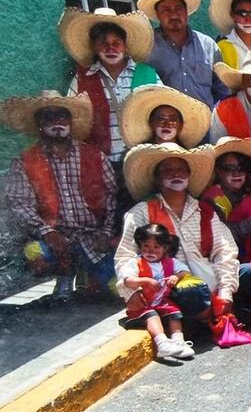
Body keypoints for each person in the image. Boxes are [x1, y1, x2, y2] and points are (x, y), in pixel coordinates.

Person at [3, 91, 116, 299]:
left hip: (93, 236)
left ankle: (87, 274)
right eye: (49, 117)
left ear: (70, 122)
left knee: (114, 287)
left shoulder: (95, 156)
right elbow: (20, 204)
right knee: (37, 254)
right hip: (54, 237)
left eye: (62, 116)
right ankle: (63, 275)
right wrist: (46, 232)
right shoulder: (25, 161)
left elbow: (112, 199)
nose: (57, 122)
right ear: (39, 124)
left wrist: (107, 233)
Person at [115, 143, 238, 324]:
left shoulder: (204, 210)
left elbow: (225, 251)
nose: (176, 173)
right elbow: (125, 255)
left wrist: (226, 291)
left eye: (181, 169)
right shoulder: (141, 212)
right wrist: (132, 292)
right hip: (169, 287)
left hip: (213, 281)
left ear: (189, 175)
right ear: (157, 178)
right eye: (168, 169)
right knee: (193, 293)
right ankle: (203, 318)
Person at [60, 6, 160, 166]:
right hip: (99, 164)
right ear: (93, 47)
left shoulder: (148, 74)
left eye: (116, 43)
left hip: (141, 161)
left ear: (125, 46)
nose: (110, 48)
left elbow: (163, 109)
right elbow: (73, 118)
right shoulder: (82, 79)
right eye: (102, 43)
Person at [138, 0, 230, 107]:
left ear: (187, 11)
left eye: (178, 8)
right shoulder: (146, 48)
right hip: (167, 124)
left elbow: (222, 90)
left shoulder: (208, 46)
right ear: (157, 14)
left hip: (206, 124)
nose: (174, 14)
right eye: (166, 10)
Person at [118, 223, 193, 360]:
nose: (150, 251)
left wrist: (176, 276)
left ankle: (179, 341)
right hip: (141, 306)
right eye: (146, 246)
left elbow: (185, 271)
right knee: (151, 315)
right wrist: (145, 281)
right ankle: (162, 343)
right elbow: (127, 280)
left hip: (160, 302)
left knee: (174, 312)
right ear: (140, 245)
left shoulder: (170, 262)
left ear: (165, 248)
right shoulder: (135, 263)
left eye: (156, 247)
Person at [119, 84, 211, 149]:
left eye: (173, 119)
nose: (167, 124)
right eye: (160, 119)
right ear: (151, 123)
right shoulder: (137, 156)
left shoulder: (188, 156)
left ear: (180, 125)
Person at [201, 137, 251, 221]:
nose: (236, 173)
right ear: (218, 171)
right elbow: (218, 231)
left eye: (242, 167)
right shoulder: (211, 199)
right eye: (229, 168)